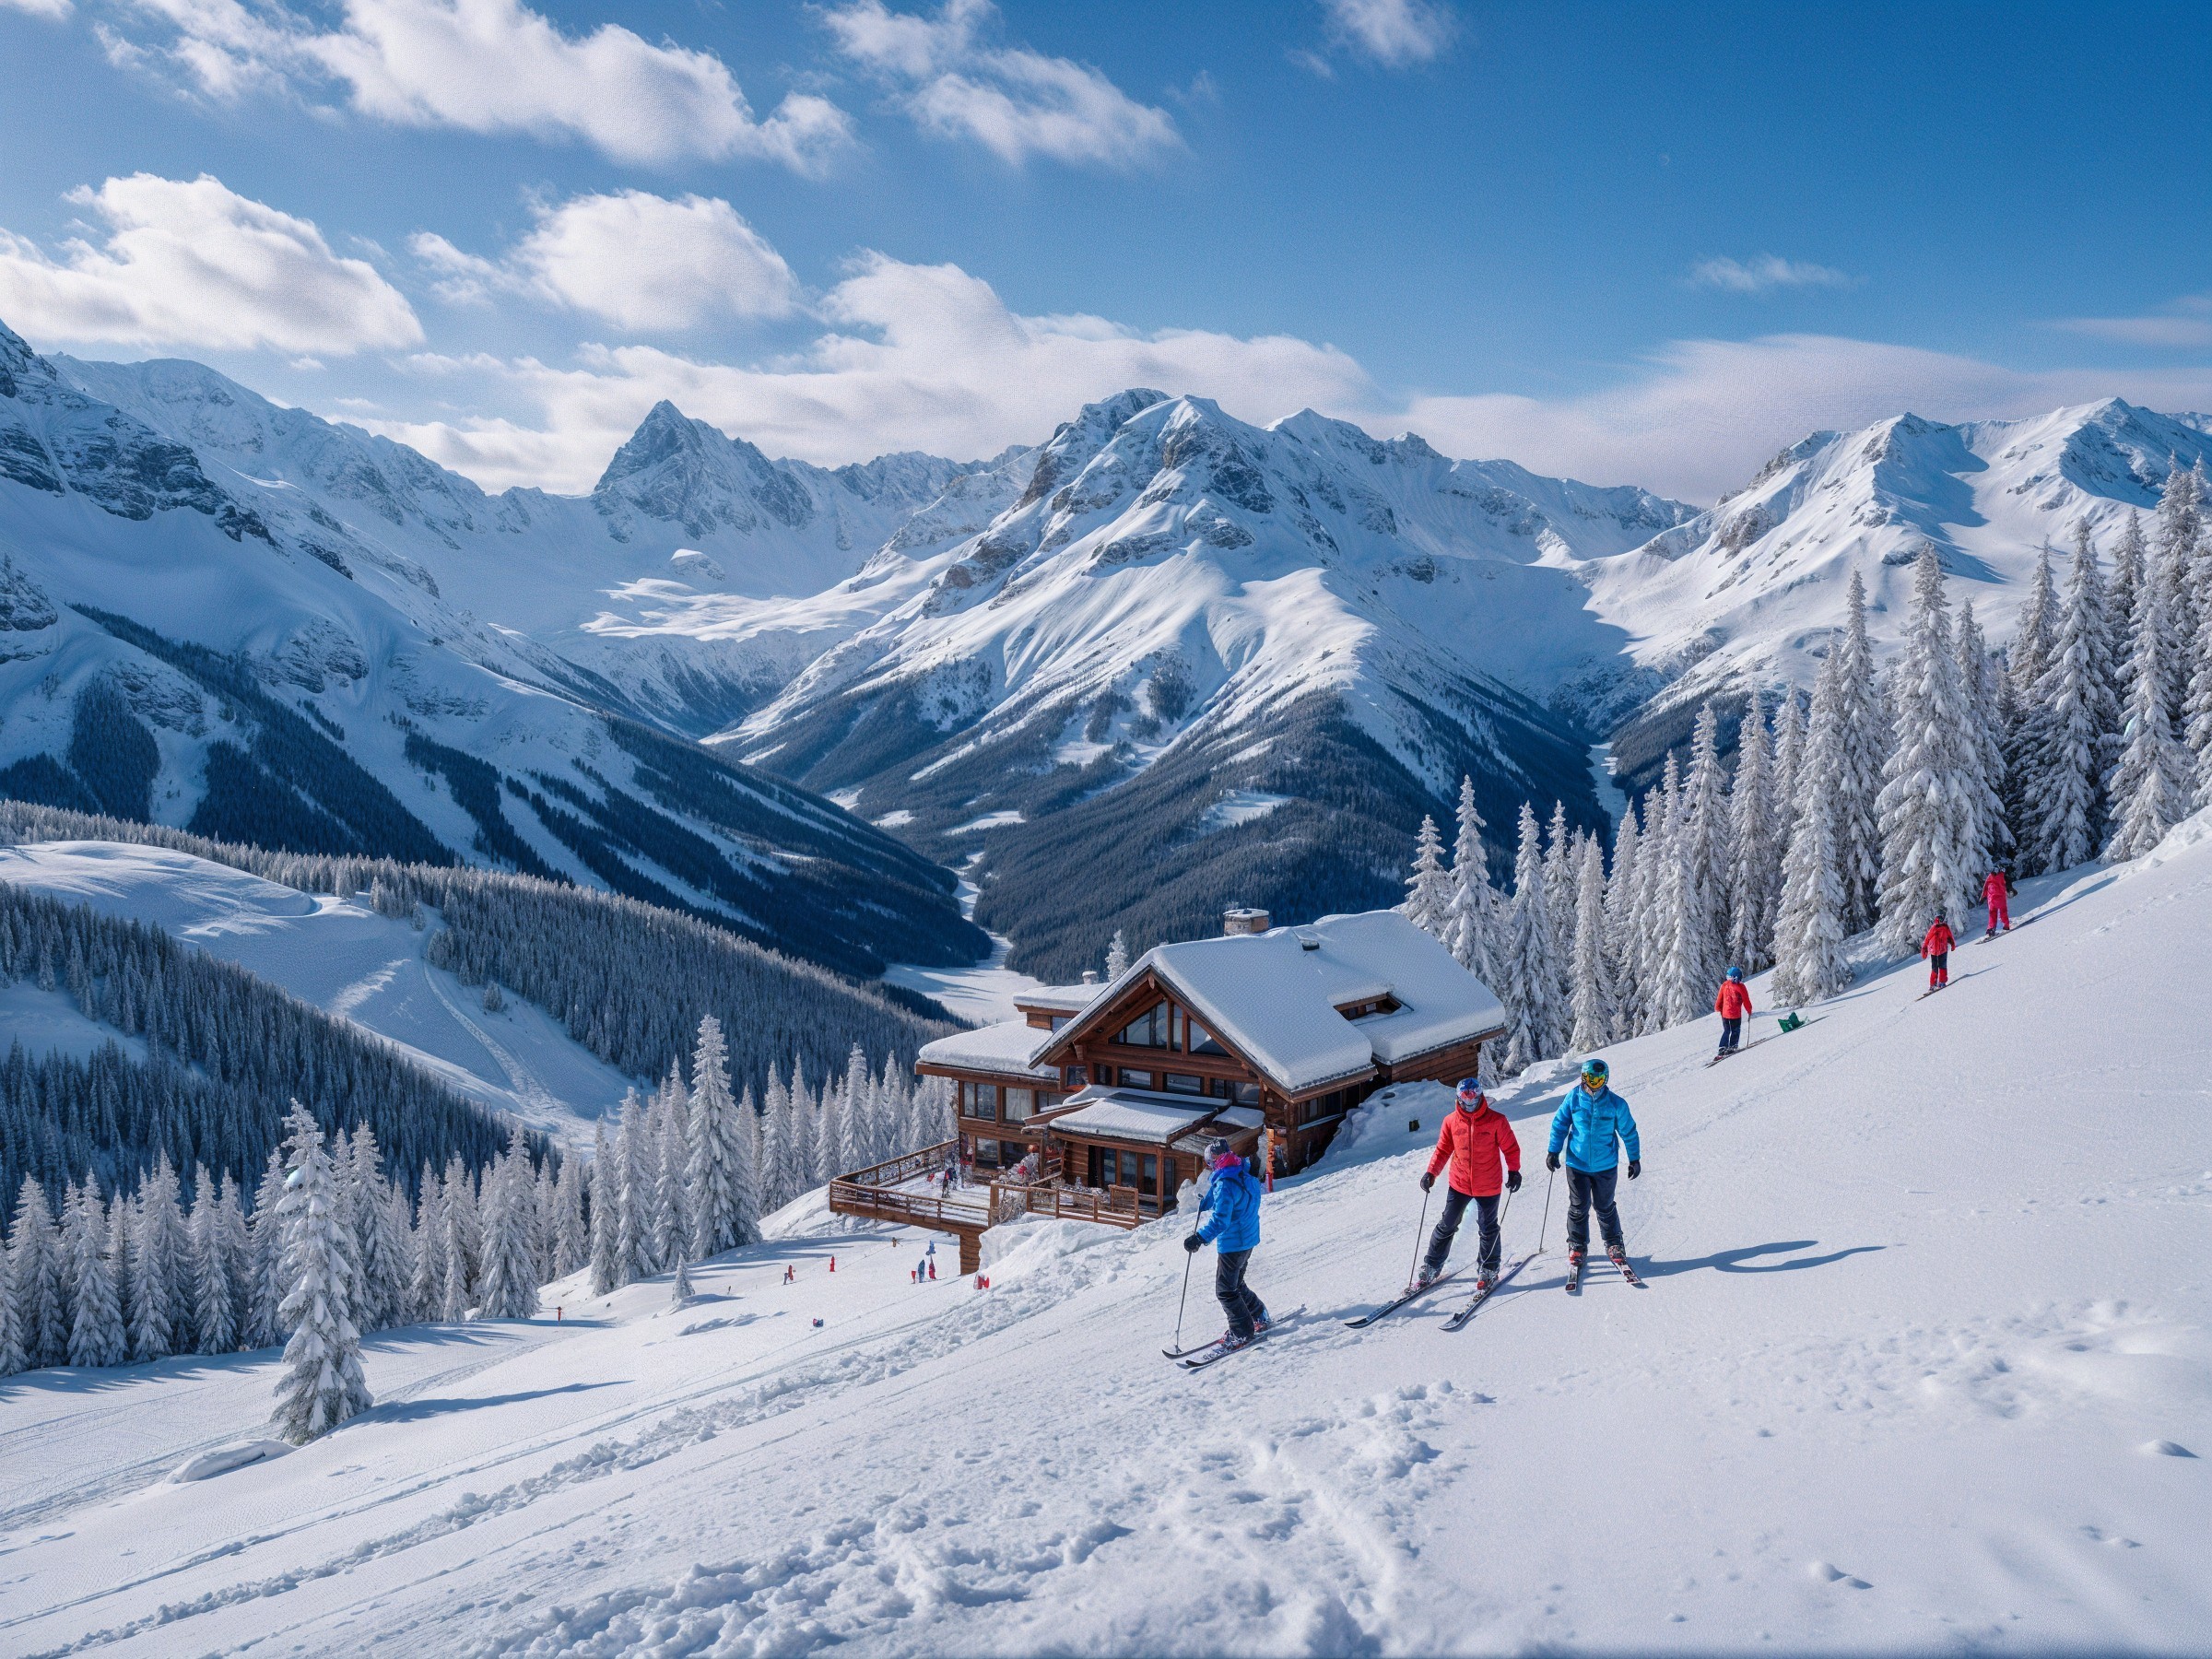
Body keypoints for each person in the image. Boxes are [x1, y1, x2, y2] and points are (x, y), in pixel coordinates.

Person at [1414, 1078, 1523, 1292]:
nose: (1470, 1101)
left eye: (1474, 1095)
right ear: (1459, 1098)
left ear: (1481, 1095)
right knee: (1447, 1224)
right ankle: (1431, 1265)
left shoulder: (1496, 1120)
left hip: (1488, 1184)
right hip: (1459, 1183)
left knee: (1488, 1227)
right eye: (1466, 1097)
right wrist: (1431, 1172)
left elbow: (1510, 1148)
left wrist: (1514, 1170)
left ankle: (1489, 1268)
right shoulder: (1451, 1121)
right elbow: (1443, 1149)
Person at [1545, 1057, 1641, 1277]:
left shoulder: (1616, 1104)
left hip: (1605, 1165)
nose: (1593, 1083)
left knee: (1604, 1207)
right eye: (1589, 1078)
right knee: (1578, 1207)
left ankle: (1614, 1242)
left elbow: (1629, 1131)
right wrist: (1553, 1150)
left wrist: (1634, 1159)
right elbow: (1560, 1124)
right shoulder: (1573, 1099)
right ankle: (1577, 1245)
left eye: (1598, 1079)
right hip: (1577, 1164)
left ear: (1605, 1079)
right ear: (1583, 1077)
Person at [1184, 1138, 1269, 1347]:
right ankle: (1259, 1315)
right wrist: (1208, 1201)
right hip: (1248, 1239)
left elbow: (1221, 1220)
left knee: (1225, 1290)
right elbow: (1233, 1195)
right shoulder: (1242, 1172)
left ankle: (1242, 1332)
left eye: (1209, 1162)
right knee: (1236, 1284)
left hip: (1233, 1244)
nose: (1209, 1166)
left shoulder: (1225, 1184)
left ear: (1215, 1160)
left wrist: (1199, 1238)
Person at [1713, 966, 1753, 1057]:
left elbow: (1719, 998)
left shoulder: (1724, 985)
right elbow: (1746, 999)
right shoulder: (1740, 987)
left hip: (1725, 1014)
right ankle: (1733, 1046)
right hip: (1735, 1014)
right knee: (1735, 1030)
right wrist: (1749, 1010)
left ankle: (1722, 1047)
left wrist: (1718, 1008)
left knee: (1727, 1030)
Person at [1922, 912, 1956, 989]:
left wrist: (1952, 943)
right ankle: (1933, 984)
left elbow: (1950, 936)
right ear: (1936, 919)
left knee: (1943, 966)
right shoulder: (1934, 928)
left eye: (1941, 919)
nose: (1941, 921)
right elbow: (1927, 938)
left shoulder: (1945, 927)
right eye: (1939, 919)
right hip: (1934, 951)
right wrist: (1924, 948)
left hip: (1943, 950)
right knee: (1935, 968)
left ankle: (1942, 982)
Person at [1983, 868, 2013, 938]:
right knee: (2003, 912)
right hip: (2001, 898)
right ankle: (2006, 926)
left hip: (1992, 899)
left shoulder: (1990, 878)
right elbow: (2008, 886)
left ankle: (1991, 930)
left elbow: (1985, 888)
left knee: (1992, 914)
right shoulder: (2003, 877)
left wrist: (1983, 896)